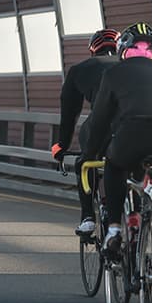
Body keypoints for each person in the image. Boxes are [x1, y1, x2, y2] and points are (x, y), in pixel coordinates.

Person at [83, 22, 152, 303]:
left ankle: (115, 227)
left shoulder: (114, 73)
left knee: (115, 166)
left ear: (124, 51)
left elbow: (100, 119)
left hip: (133, 135)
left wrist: (90, 153)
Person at [50, 28, 120, 236]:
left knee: (85, 161)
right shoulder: (133, 65)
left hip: (104, 126)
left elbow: (70, 112)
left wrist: (61, 145)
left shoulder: (80, 69)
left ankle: (88, 217)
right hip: (140, 126)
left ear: (93, 50)